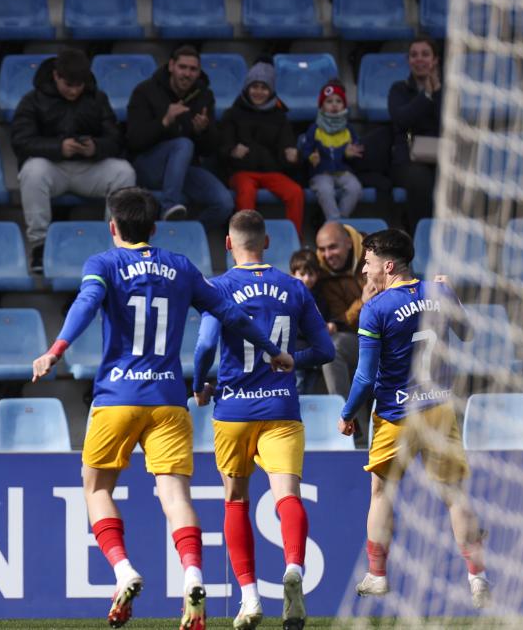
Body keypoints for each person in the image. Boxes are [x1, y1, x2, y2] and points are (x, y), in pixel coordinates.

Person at [30, 187, 295, 630]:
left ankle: (123, 570)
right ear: (154, 228)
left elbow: (86, 304)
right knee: (175, 496)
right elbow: (230, 314)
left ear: (113, 227)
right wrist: (271, 350)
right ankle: (192, 575)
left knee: (97, 490)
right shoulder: (181, 267)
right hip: (169, 400)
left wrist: (56, 350)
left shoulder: (104, 263)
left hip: (116, 398)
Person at [192, 210, 334, 630]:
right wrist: (295, 359)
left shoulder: (218, 287)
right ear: (268, 243)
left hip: (233, 410)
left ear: (227, 244)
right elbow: (325, 350)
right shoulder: (293, 286)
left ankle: (250, 598)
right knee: (287, 495)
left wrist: (201, 384)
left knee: (236, 500)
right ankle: (294, 569)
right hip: (281, 409)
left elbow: (203, 347)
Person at [335, 229, 490, 609]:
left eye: (369, 263)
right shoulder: (439, 292)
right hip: (439, 409)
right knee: (455, 495)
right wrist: (450, 295)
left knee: (381, 492)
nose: (365, 269)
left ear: (388, 266)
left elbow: (365, 376)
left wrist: (346, 412)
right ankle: (478, 578)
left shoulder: (376, 307)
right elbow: (468, 335)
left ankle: (377, 575)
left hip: (395, 415)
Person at [11, 48, 136, 272]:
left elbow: (116, 139)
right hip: (52, 167)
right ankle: (40, 247)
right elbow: (21, 141)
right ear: (56, 76)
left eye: (79, 85)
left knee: (124, 171)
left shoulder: (97, 98)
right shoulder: (33, 99)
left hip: (89, 167)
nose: (74, 91)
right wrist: (59, 148)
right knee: (32, 171)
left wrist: (95, 148)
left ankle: (116, 246)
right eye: (69, 84)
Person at [126, 45, 233, 228]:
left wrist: (203, 131)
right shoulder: (145, 91)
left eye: (193, 69)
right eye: (182, 67)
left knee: (224, 203)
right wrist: (164, 122)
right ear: (171, 66)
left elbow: (211, 148)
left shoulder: (204, 95)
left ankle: (186, 234)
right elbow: (133, 141)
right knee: (183, 144)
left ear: (199, 72)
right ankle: (168, 207)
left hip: (185, 169)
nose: (187, 74)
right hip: (149, 166)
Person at [219, 59, 303, 235]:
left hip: (272, 172)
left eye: (264, 87)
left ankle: (295, 240)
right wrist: (233, 151)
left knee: (295, 192)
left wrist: (292, 156)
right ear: (247, 88)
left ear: (271, 91)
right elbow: (221, 146)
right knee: (246, 192)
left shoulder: (280, 117)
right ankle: (244, 242)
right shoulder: (232, 114)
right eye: (254, 86)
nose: (259, 92)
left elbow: (287, 147)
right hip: (242, 172)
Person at [314, 221, 370, 441]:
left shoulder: (375, 252)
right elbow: (343, 320)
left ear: (348, 243)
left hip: (391, 334)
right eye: (322, 249)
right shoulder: (322, 276)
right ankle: (349, 425)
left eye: (333, 247)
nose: (328, 255)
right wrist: (363, 301)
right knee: (332, 347)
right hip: (359, 337)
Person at [388, 37, 442, 234]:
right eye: (414, 55)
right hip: (408, 160)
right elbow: (401, 119)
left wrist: (436, 94)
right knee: (420, 181)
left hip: (440, 156)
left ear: (435, 60)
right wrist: (426, 97)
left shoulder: (447, 92)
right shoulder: (398, 89)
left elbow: (448, 123)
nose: (419, 59)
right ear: (408, 60)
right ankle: (421, 237)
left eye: (425, 54)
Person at [298, 80, 364, 221]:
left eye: (338, 101)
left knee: (355, 188)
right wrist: (311, 157)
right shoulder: (315, 129)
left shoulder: (348, 129)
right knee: (325, 190)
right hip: (321, 172)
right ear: (321, 106)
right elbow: (305, 150)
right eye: (329, 101)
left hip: (343, 172)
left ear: (344, 105)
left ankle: (340, 220)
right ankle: (334, 222)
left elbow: (357, 148)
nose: (334, 104)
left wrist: (349, 155)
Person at [289, 248, 329, 395]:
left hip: (313, 354)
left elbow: (324, 318)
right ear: (293, 274)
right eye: (302, 274)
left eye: (311, 274)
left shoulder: (320, 298)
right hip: (296, 352)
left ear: (317, 275)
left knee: (311, 391)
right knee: (298, 387)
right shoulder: (289, 297)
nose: (307, 278)